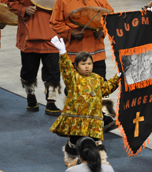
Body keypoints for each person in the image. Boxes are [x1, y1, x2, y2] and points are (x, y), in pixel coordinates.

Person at [50, 0, 117, 132]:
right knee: (74, 89)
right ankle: (79, 117)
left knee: (97, 88)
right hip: (74, 55)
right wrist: (70, 33)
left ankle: (98, 118)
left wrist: (101, 31)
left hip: (96, 54)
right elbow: (55, 22)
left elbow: (111, 19)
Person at [50, 36, 120, 166]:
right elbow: (65, 69)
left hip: (94, 118)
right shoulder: (73, 78)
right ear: (76, 66)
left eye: (89, 64)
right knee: (75, 140)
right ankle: (70, 155)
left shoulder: (97, 79)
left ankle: (101, 159)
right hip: (77, 118)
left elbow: (107, 88)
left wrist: (118, 77)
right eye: (83, 64)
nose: (87, 67)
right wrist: (62, 53)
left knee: (97, 140)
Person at [8, 0, 61, 115]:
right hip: (29, 37)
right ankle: (31, 96)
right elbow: (11, 4)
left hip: (51, 37)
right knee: (28, 71)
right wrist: (24, 9)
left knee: (52, 72)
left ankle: (51, 101)